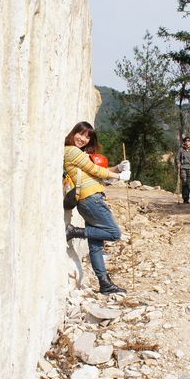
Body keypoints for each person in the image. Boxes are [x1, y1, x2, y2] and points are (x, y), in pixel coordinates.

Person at [63, 122, 131, 294]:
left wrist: (118, 167)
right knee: (114, 233)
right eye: (81, 134)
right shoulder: (71, 151)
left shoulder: (79, 154)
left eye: (87, 137)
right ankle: (74, 232)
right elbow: (95, 169)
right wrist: (119, 176)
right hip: (91, 199)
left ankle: (104, 283)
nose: (83, 139)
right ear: (73, 132)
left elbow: (95, 171)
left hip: (89, 199)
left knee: (96, 246)